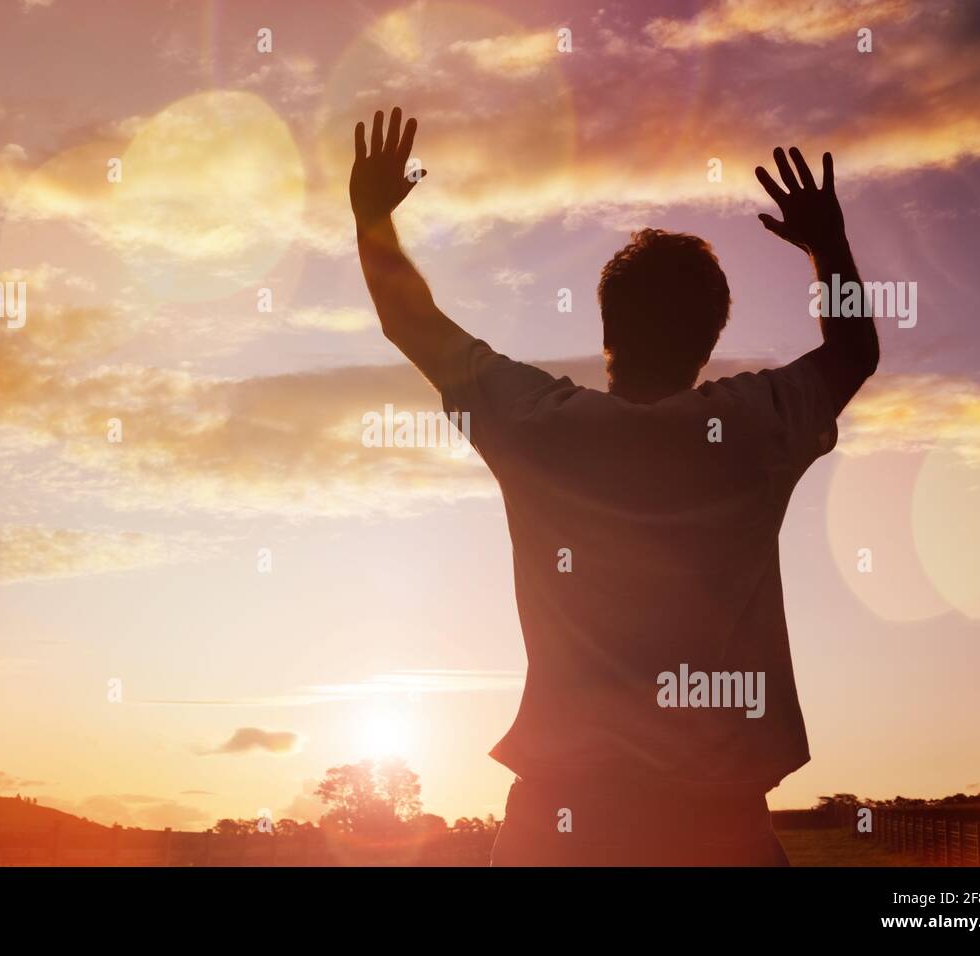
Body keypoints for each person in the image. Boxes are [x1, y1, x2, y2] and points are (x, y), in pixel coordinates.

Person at [350, 108, 878, 865]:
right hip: (717, 827)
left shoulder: (537, 424)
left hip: (560, 825)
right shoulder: (755, 429)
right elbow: (854, 348)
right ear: (710, 341)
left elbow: (410, 319)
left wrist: (371, 217)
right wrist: (826, 243)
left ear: (607, 335)